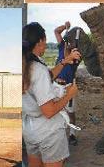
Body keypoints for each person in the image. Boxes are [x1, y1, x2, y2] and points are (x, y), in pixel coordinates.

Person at [22, 22, 80, 167]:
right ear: (40, 41)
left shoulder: (25, 64)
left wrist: (65, 61)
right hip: (49, 133)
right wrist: (69, 94)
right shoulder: (38, 69)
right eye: (45, 41)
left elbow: (48, 75)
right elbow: (49, 111)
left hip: (30, 130)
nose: (47, 45)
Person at [54, 21, 79, 146]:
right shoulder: (62, 46)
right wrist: (65, 27)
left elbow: (66, 57)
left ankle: (73, 135)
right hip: (56, 86)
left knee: (71, 113)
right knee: (56, 111)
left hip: (68, 87)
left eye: (71, 42)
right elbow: (56, 31)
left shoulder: (75, 55)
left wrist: (66, 44)